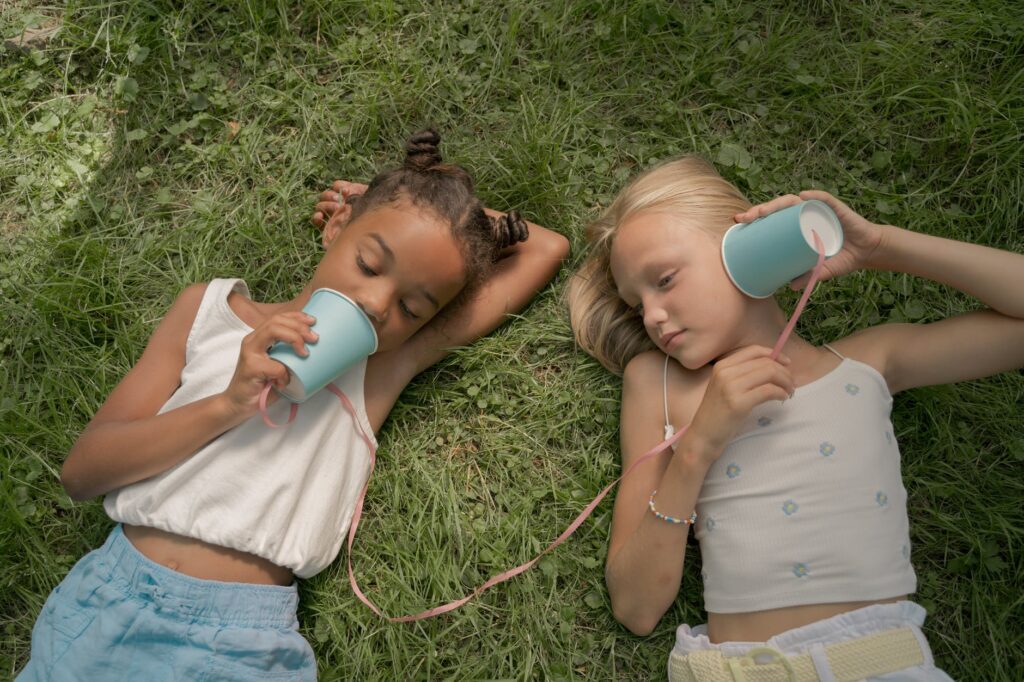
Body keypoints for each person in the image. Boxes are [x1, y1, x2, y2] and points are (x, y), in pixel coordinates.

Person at [18, 128, 570, 681]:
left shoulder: (377, 370)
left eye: (412, 307)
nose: (379, 304)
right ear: (335, 227)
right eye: (370, 263)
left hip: (242, 644)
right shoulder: (207, 312)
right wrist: (228, 404)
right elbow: (82, 474)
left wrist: (434, 209)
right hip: (107, 604)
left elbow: (546, 247)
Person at [566, 155, 1023, 680]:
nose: (650, 315)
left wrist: (880, 247)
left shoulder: (869, 362)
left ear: (744, 246)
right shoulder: (659, 383)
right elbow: (635, 608)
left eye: (664, 280)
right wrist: (697, 449)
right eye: (635, 302)